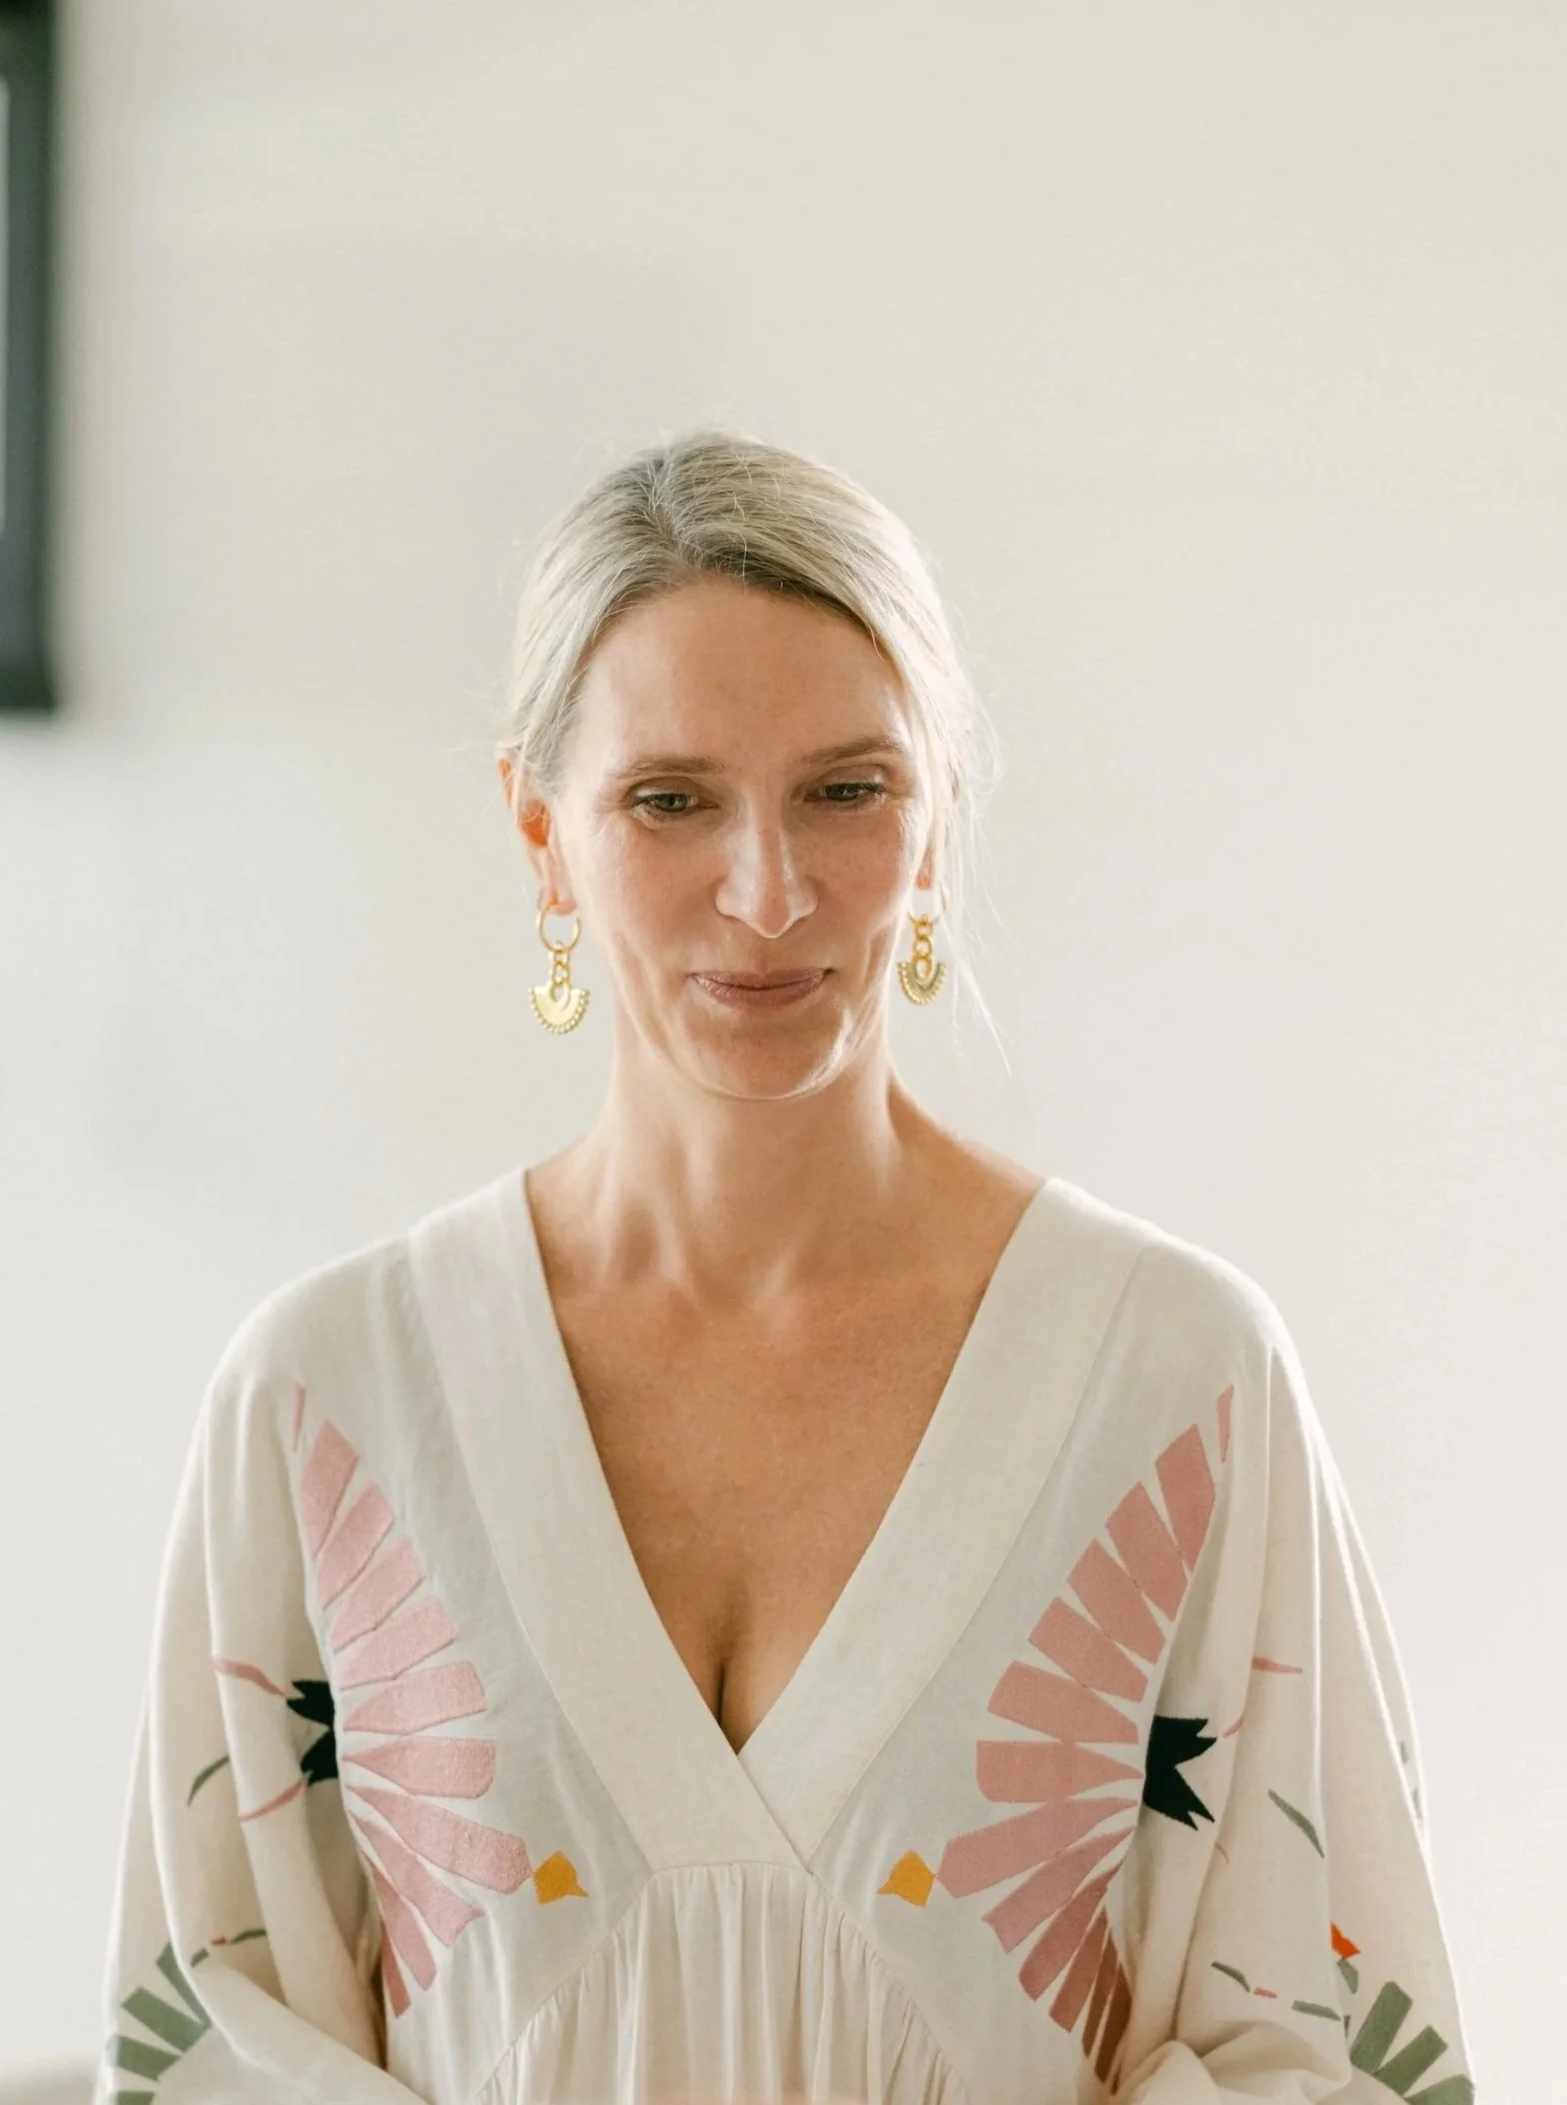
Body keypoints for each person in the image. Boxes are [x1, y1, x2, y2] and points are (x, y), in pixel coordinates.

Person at [95, 432, 1476, 2104]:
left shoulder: (1180, 1382)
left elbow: (1334, 2048)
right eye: (670, 801)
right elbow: (209, 2044)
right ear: (540, 833)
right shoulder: (325, 1405)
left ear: (939, 818)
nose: (767, 893)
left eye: (848, 790)